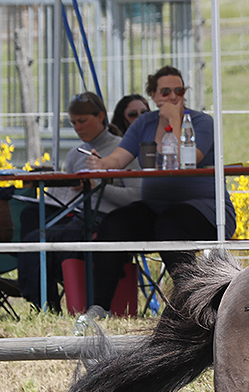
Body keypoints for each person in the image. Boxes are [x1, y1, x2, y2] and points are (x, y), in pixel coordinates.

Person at [85, 65, 235, 313]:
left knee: (170, 224)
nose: (173, 96)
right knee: (114, 224)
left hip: (205, 210)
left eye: (179, 90)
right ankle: (100, 306)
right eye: (166, 92)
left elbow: (188, 158)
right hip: (156, 208)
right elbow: (119, 159)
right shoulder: (144, 122)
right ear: (153, 96)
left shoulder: (201, 121)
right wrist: (99, 163)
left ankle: (189, 302)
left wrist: (175, 119)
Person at [15, 91, 142, 311]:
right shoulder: (75, 154)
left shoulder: (123, 149)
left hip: (107, 222)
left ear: (101, 116)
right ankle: (41, 298)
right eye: (73, 123)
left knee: (38, 241)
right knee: (31, 218)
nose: (78, 127)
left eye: (83, 121)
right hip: (79, 217)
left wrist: (98, 186)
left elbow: (136, 196)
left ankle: (44, 304)